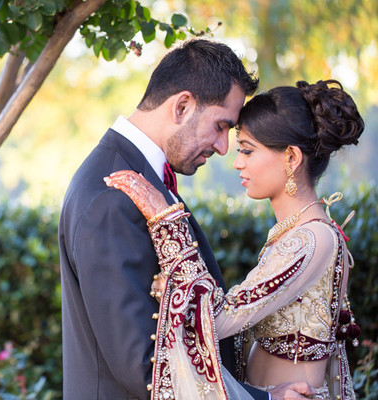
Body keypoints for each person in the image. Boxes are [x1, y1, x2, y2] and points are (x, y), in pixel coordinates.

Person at [59, 38, 309, 399]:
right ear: (182, 106)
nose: (224, 147)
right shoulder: (112, 197)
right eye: (221, 126)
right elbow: (146, 368)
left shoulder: (138, 177)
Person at [104, 79, 364, 399]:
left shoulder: (311, 241)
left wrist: (168, 225)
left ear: (292, 158)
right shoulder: (296, 233)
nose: (237, 161)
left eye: (247, 150)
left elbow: (218, 319)